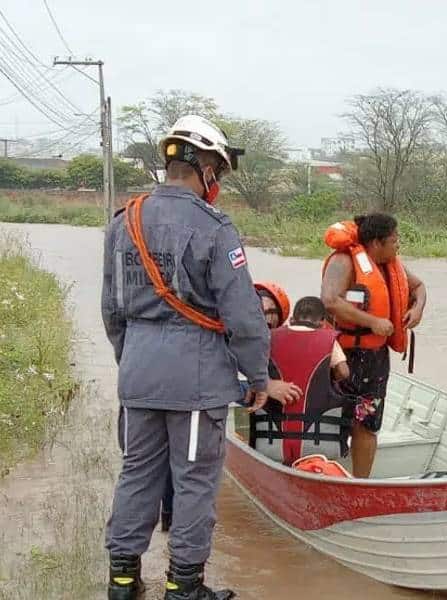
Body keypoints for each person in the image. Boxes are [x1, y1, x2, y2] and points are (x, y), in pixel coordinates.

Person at [102, 115, 284, 600]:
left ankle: (122, 581)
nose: (217, 181)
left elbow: (111, 310)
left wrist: (133, 361)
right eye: (217, 171)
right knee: (195, 482)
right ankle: (184, 587)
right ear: (205, 168)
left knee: (137, 473)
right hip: (197, 379)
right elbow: (244, 314)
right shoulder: (214, 227)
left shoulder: (124, 222)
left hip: (138, 372)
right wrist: (258, 376)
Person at [159, 281, 300, 533]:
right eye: (265, 312)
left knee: (170, 461)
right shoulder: (222, 326)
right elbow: (211, 378)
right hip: (185, 394)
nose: (265, 319)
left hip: (165, 386)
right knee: (190, 465)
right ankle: (181, 534)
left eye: (270, 319)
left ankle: (171, 525)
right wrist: (260, 388)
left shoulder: (224, 320)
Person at [321, 214, 427, 478]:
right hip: (341, 355)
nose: (398, 245)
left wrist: (417, 309)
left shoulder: (391, 264)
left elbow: (419, 287)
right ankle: (323, 474)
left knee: (368, 423)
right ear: (377, 243)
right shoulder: (343, 261)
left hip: (375, 359)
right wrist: (373, 321)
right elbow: (330, 300)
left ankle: (360, 482)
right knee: (332, 419)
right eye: (394, 240)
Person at [251, 296, 353, 464]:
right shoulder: (328, 340)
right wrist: (326, 378)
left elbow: (253, 371)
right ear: (322, 323)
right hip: (318, 444)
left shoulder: (269, 337)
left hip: (271, 442)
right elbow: (344, 372)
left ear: (292, 319)